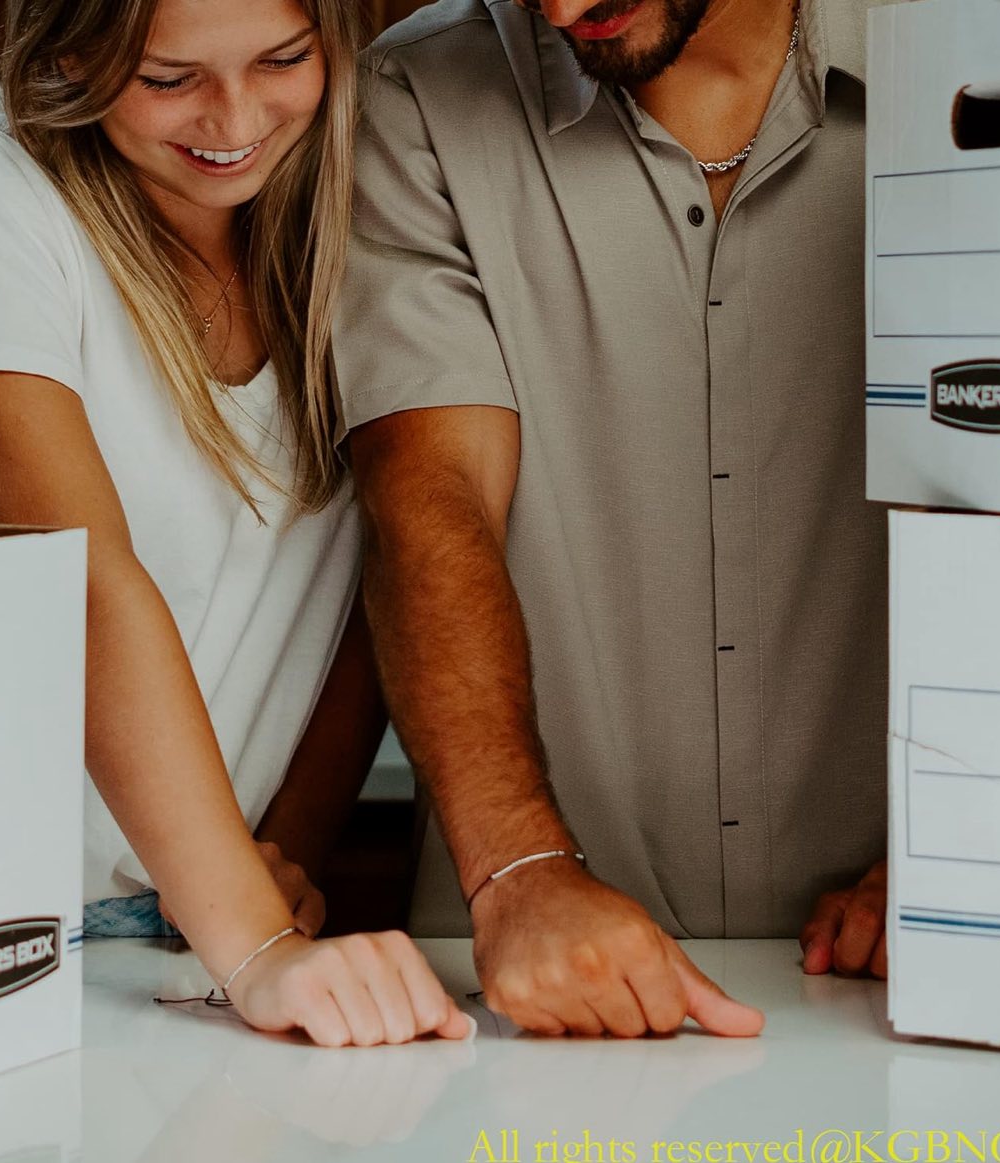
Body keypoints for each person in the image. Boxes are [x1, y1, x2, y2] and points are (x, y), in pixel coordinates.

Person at [0, 0, 469, 1047]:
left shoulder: (358, 228)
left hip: (194, 931)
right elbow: (81, 584)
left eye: (283, 59)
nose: (234, 115)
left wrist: (279, 866)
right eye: (170, 78)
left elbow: (365, 599)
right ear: (71, 52)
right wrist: (257, 945)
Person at [333, 0, 893, 1038]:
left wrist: (994, 842)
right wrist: (521, 867)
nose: (558, 6)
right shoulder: (414, 98)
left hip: (904, 980)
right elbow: (428, 493)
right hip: (537, 996)